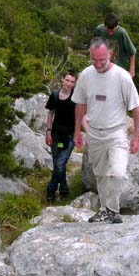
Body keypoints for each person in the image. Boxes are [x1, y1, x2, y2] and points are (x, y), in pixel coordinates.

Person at [72, 37, 139, 223]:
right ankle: (105, 209)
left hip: (116, 133)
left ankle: (113, 209)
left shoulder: (122, 77)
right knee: (101, 174)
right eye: (94, 60)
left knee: (118, 173)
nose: (98, 64)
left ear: (110, 54)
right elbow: (79, 104)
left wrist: (136, 137)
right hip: (94, 133)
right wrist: (77, 132)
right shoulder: (86, 75)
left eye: (102, 59)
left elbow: (136, 108)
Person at [45, 70, 78, 202]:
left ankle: (50, 190)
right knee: (59, 164)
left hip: (70, 137)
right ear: (62, 80)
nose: (69, 84)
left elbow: (82, 115)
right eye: (67, 80)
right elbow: (50, 113)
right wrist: (48, 131)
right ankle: (64, 190)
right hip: (57, 136)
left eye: (72, 81)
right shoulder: (55, 96)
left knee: (59, 164)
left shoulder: (77, 97)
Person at [94, 12, 136, 78]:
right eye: (108, 30)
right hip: (102, 68)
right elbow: (95, 48)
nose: (110, 33)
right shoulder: (99, 30)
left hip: (118, 70)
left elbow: (132, 53)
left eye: (113, 31)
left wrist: (132, 69)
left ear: (117, 24)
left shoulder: (122, 33)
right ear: (104, 24)